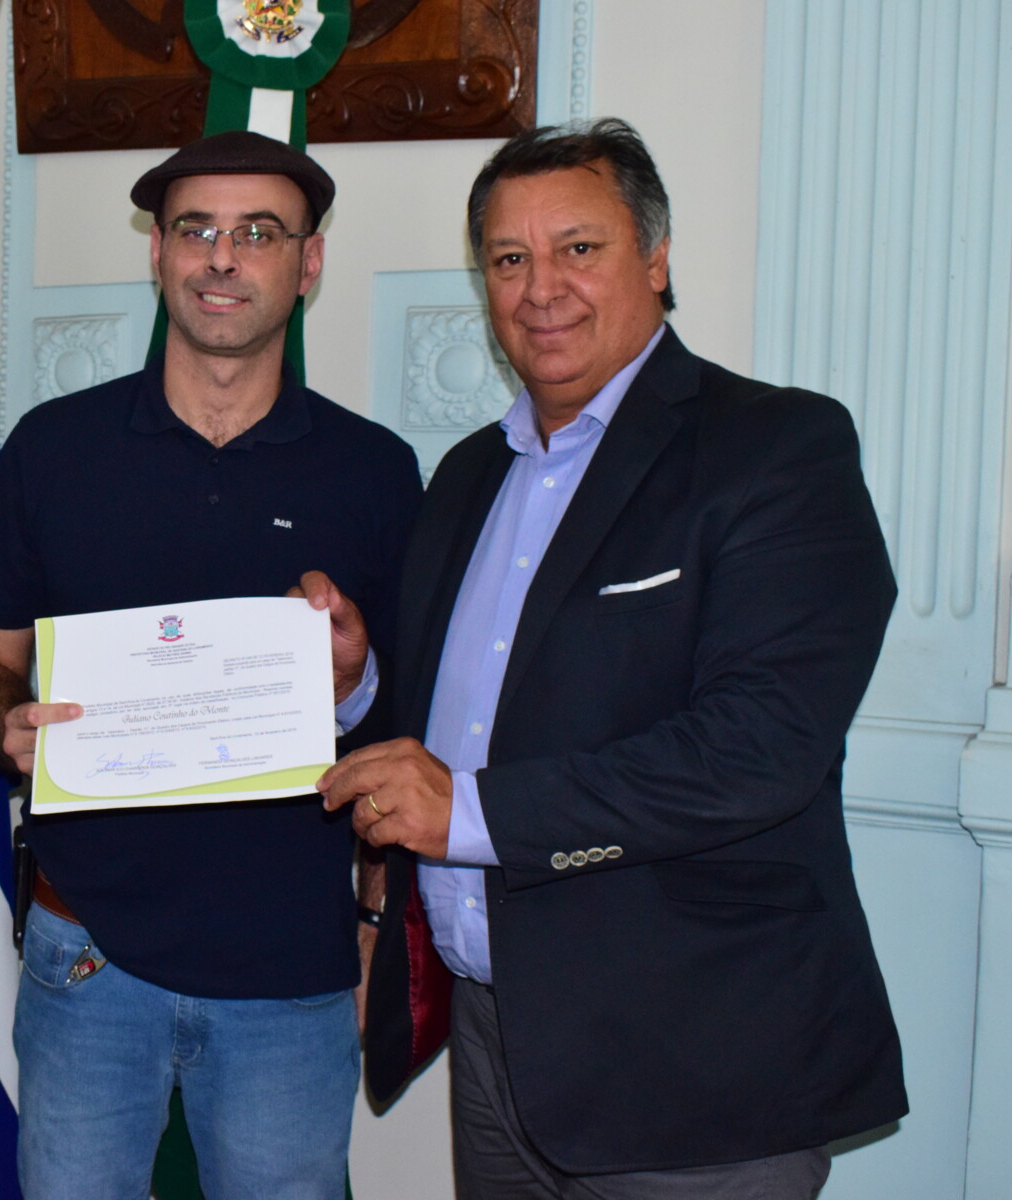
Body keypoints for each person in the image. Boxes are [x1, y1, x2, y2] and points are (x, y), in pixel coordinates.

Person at [319, 119, 908, 1197]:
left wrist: (472, 815)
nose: (541, 288)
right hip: (494, 1045)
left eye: (578, 248)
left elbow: (759, 748)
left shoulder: (778, 449)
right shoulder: (466, 477)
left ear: (656, 258)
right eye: (509, 258)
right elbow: (459, 727)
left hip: (699, 1060)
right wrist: (358, 684)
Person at [0, 131, 424, 1199]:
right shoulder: (53, 449)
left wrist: (351, 683)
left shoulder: (376, 471)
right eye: (196, 229)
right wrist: (4, 720)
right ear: (156, 251)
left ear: (307, 263)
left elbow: (409, 724)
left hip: (290, 972)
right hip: (83, 955)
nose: (222, 257)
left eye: (258, 233)